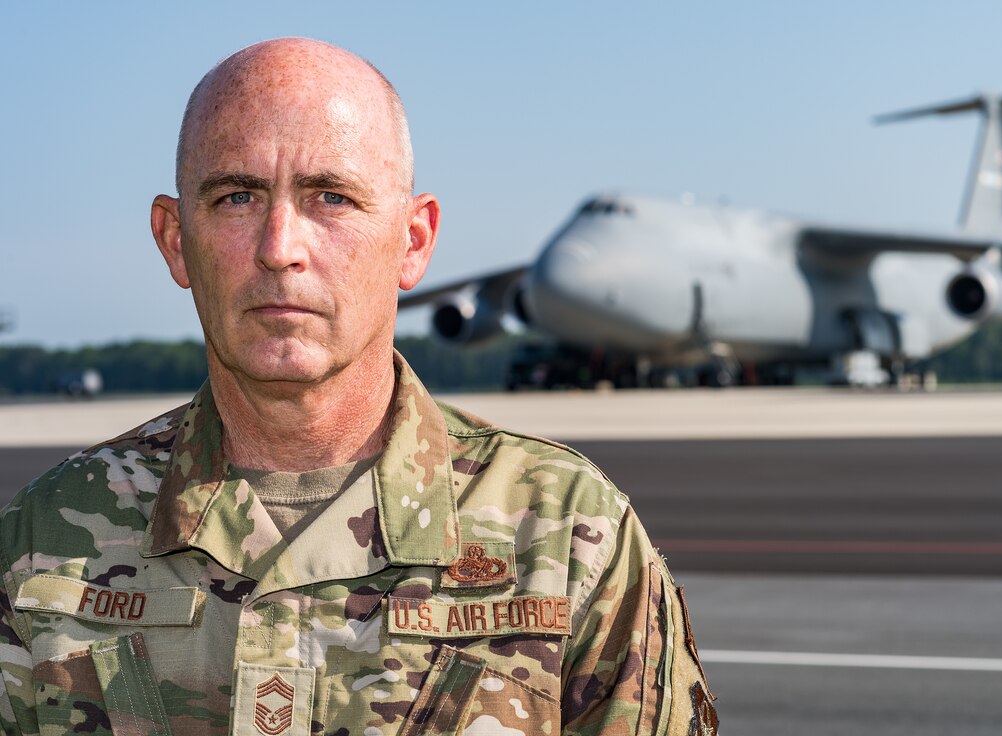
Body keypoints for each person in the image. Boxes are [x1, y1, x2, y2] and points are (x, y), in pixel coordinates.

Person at [0, 38, 717, 735]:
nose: (280, 249)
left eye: (332, 198)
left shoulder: (568, 539)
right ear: (175, 239)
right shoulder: (42, 544)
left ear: (413, 240)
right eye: (237, 197)